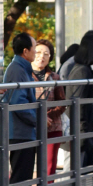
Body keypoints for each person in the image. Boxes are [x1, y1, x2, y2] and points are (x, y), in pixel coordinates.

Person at [68, 32, 93, 169]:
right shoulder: (82, 71)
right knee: (80, 171)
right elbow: (78, 106)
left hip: (86, 130)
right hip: (81, 132)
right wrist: (84, 135)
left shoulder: (87, 69)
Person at [4, 32, 37, 185]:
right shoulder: (18, 70)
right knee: (21, 178)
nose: (36, 52)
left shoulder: (20, 68)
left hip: (22, 131)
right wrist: (37, 119)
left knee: (23, 176)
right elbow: (18, 103)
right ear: (25, 51)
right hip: (20, 132)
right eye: (35, 48)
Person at [31, 39, 65, 176]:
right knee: (24, 166)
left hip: (52, 127)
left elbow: (62, 103)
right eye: (38, 52)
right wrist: (38, 117)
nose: (42, 56)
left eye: (46, 54)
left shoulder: (54, 77)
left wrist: (48, 116)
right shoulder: (25, 76)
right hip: (29, 128)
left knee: (48, 169)